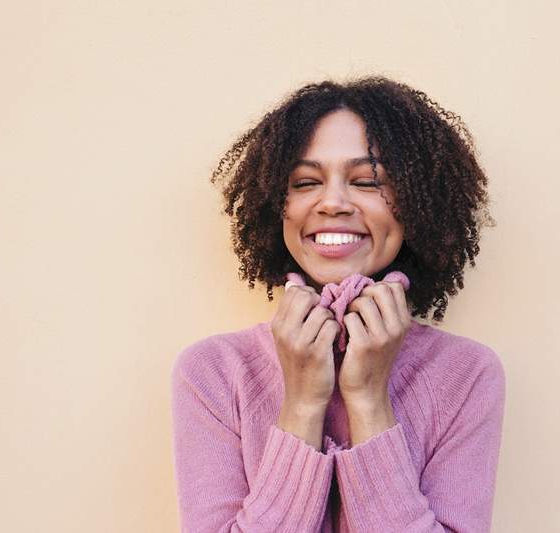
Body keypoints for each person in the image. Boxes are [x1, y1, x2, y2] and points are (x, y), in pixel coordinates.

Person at [170, 76, 506, 532]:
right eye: (306, 181)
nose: (332, 202)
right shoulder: (212, 373)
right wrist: (303, 405)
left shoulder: (466, 375)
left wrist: (369, 401)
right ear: (276, 204)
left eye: (367, 181)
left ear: (417, 206)